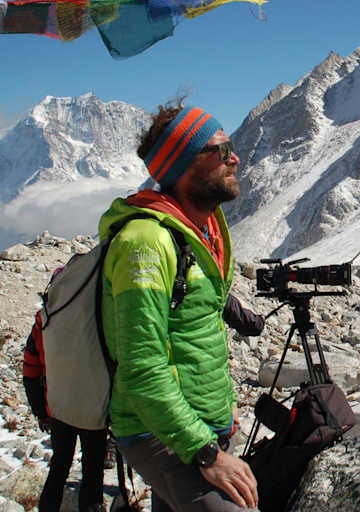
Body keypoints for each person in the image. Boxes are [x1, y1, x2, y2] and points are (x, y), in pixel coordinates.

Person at [100, 100, 259, 512]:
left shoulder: (201, 231)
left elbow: (195, 335)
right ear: (186, 164)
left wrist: (220, 411)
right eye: (221, 151)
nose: (235, 158)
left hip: (193, 425)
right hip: (160, 433)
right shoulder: (146, 244)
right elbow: (141, 369)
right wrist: (206, 452)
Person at [24, 309, 107, 512]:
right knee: (93, 471)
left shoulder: (45, 318)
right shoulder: (98, 313)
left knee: (59, 467)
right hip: (93, 406)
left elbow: (30, 369)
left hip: (57, 407)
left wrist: (41, 412)